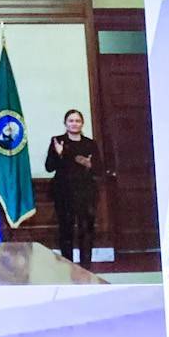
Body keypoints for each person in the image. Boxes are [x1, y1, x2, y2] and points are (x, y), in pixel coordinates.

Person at [44, 109, 104, 265]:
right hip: (64, 192)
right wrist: (59, 154)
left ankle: (86, 266)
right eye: (71, 121)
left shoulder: (90, 143)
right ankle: (67, 265)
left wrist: (89, 164)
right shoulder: (57, 141)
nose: (74, 124)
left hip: (86, 192)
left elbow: (99, 169)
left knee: (86, 230)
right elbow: (49, 167)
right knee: (66, 230)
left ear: (82, 123)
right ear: (65, 123)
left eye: (77, 121)